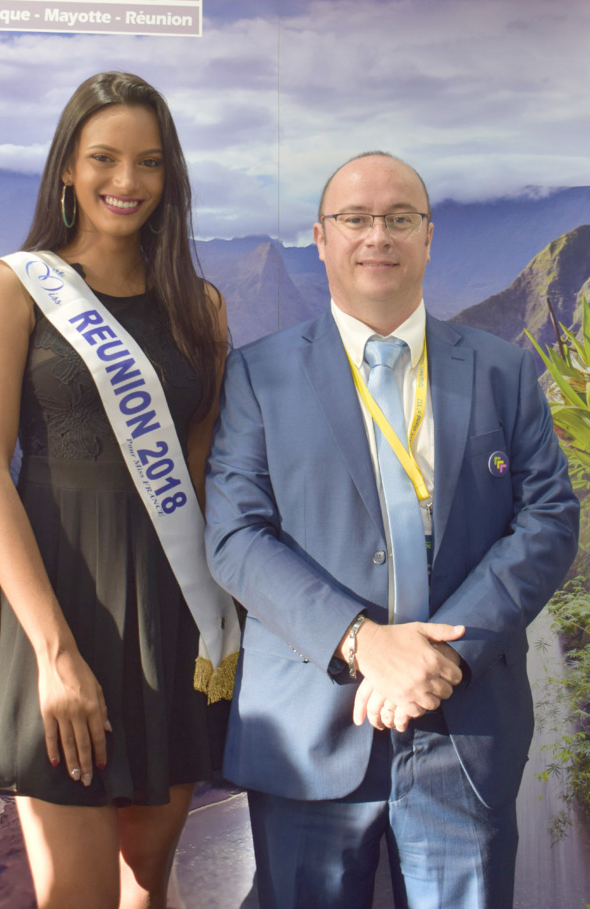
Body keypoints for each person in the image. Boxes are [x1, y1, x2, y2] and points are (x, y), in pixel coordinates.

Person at [204, 152, 579, 908]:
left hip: (462, 730)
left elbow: (548, 519)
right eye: (356, 218)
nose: (378, 235)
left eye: (400, 218)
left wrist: (445, 655)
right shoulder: (259, 374)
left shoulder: (502, 371)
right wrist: (363, 642)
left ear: (429, 236)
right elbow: (236, 536)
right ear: (321, 236)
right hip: (310, 726)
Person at [0, 71, 238, 909]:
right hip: (57, 606)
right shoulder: (18, 285)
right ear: (68, 170)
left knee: (149, 883)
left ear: (170, 177)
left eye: (148, 163)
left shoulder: (202, 308)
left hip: (170, 612)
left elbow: (202, 474)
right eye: (104, 159)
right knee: (74, 896)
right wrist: (55, 654)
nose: (126, 182)